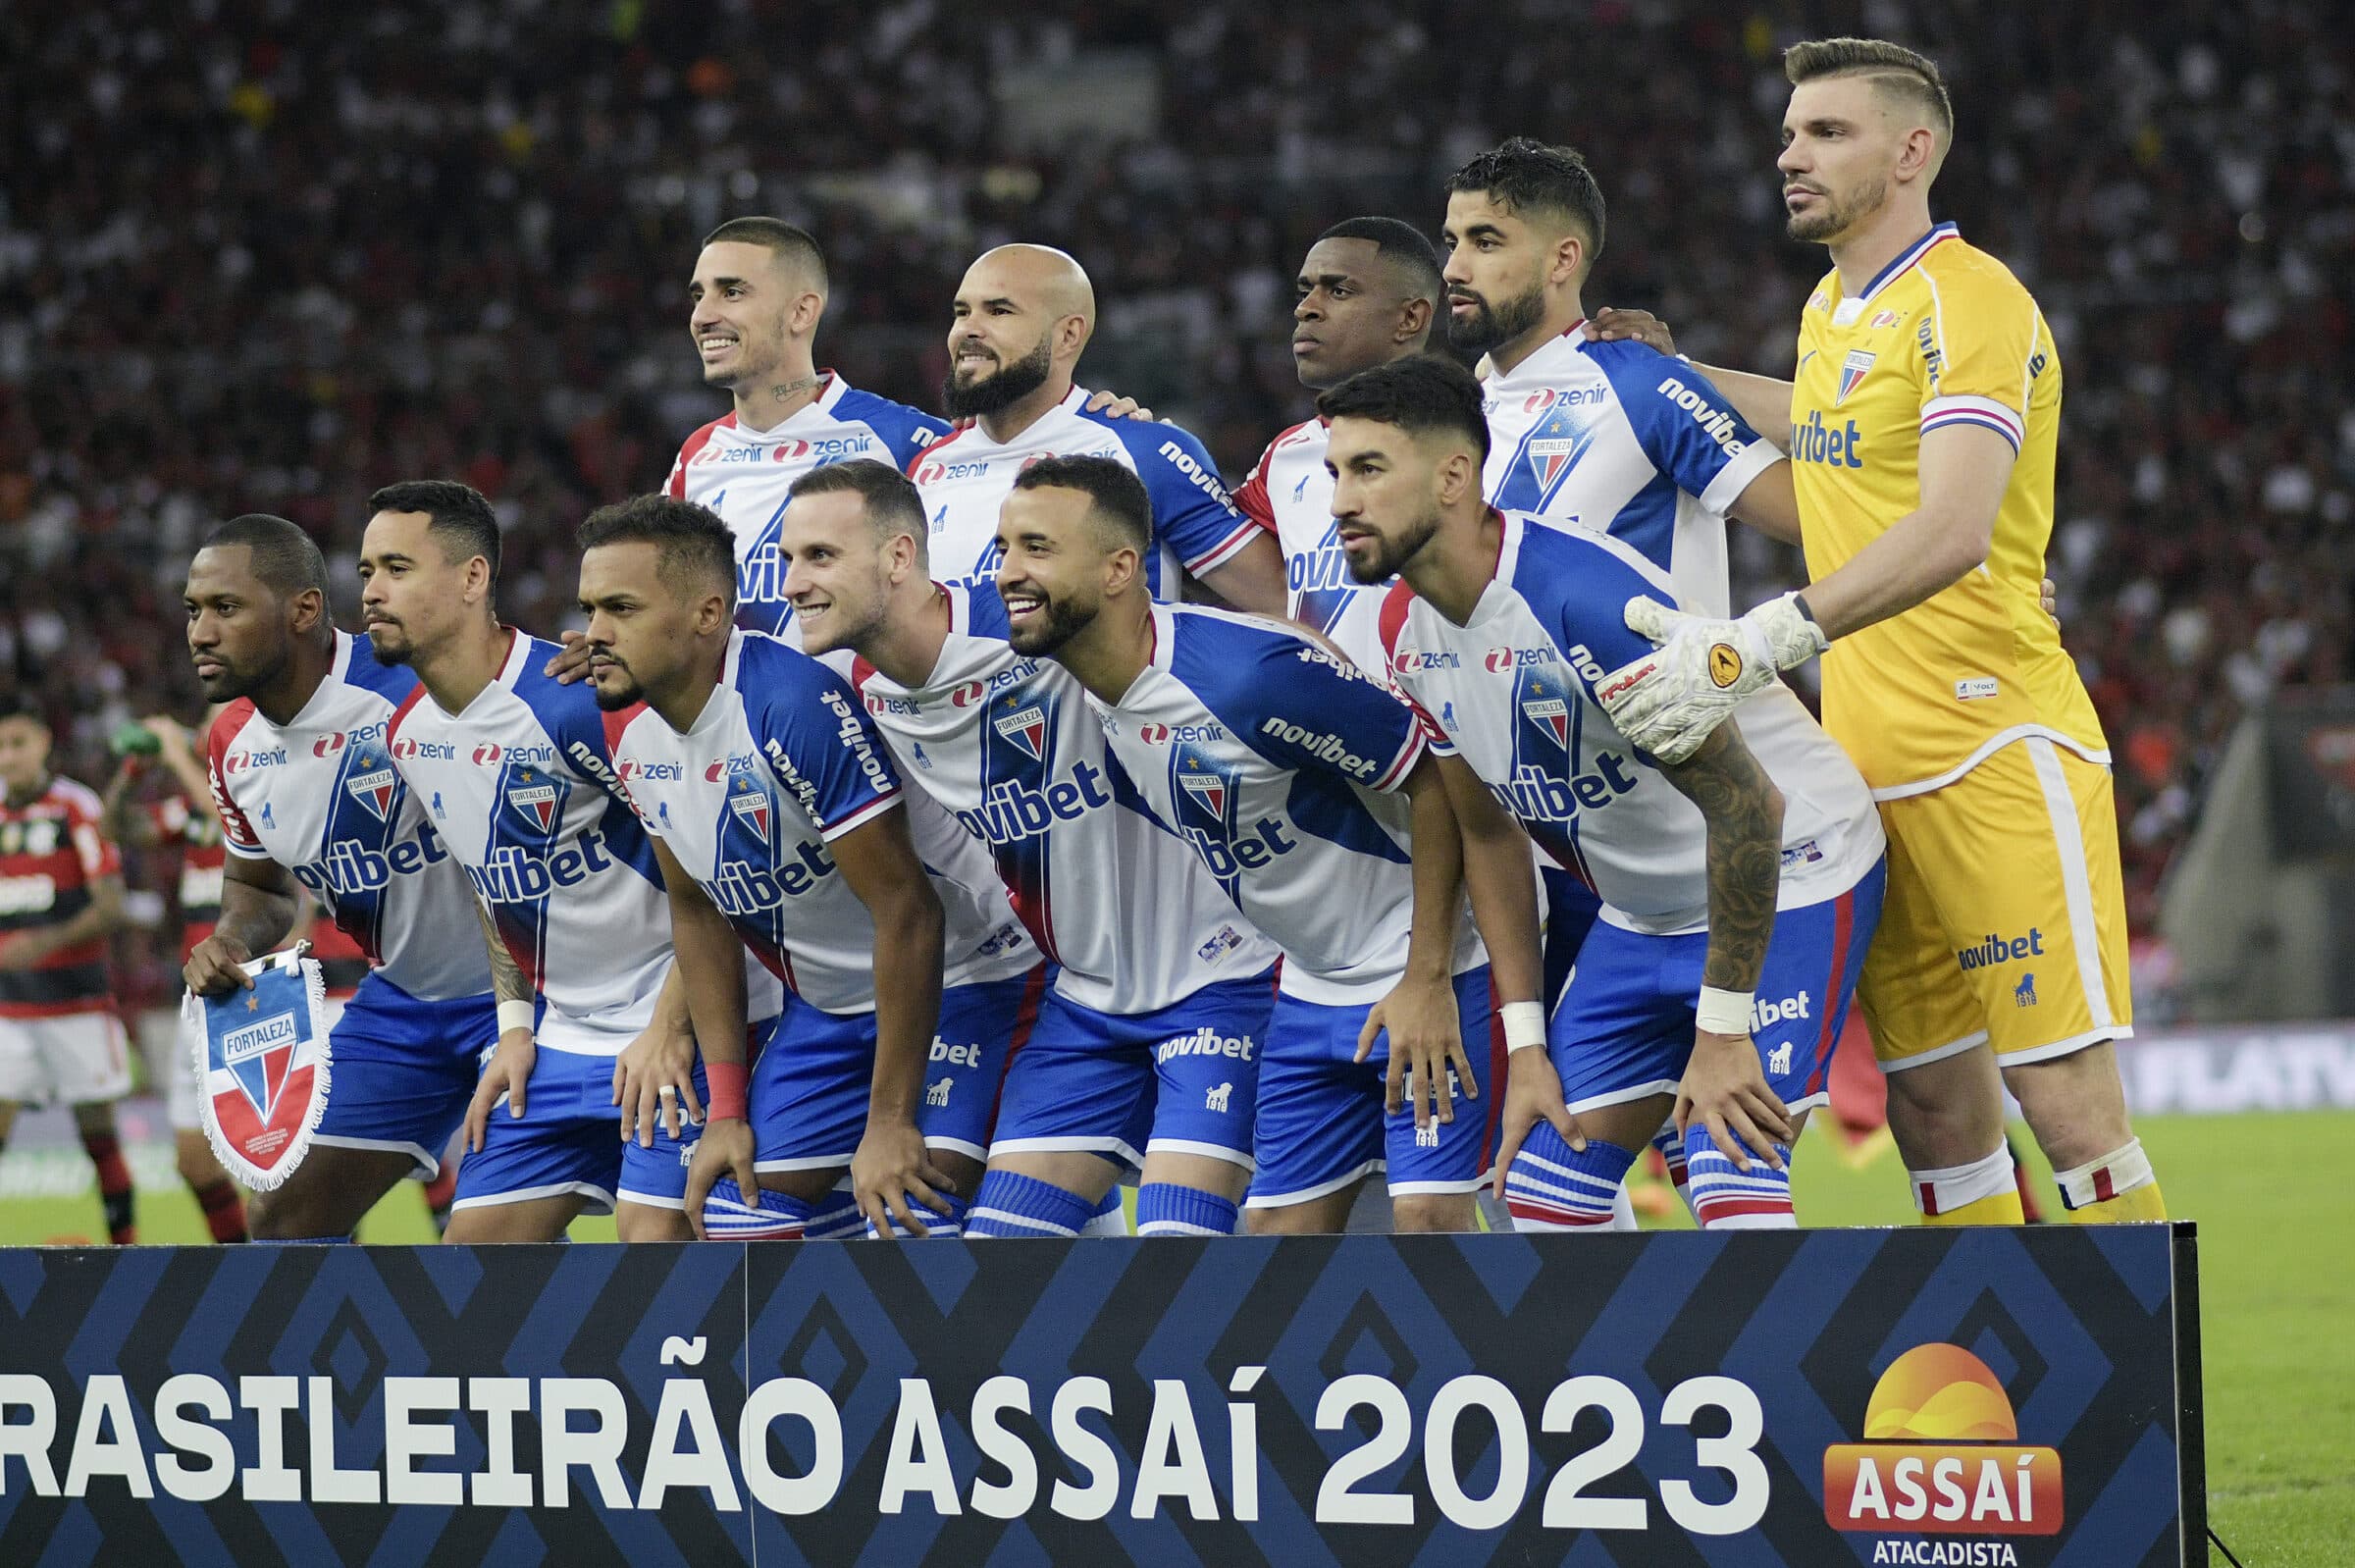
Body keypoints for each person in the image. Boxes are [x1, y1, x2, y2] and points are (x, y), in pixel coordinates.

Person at [1596, 38, 2162, 1226]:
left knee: (2064, 1105)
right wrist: (1672, 370)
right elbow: (1831, 428)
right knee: (1937, 1116)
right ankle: (2005, 1401)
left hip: (1990, 746)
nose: (1789, 153)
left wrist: (1762, 636)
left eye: (1826, 133)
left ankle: (2150, 1413)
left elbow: (1954, 524)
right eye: (1791, 131)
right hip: (1870, 769)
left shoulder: (1973, 299)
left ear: (1911, 152)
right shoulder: (1833, 307)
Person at [1323, 354, 1886, 1229]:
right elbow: (1489, 836)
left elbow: (1749, 807)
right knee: (1543, 1200)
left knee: (1732, 1178)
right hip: (1641, 918)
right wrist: (1527, 1050)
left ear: (1452, 478)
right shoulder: (1400, 630)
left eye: (1368, 471)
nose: (1339, 504)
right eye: (1333, 472)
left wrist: (1722, 1029)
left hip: (1794, 873)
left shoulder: (1578, 600)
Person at [777, 459, 1281, 1237]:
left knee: (1183, 1259)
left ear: (900, 558)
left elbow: (1176, 635)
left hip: (1220, 973)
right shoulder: (852, 688)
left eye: (819, 557)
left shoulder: (1030, 626)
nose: (792, 585)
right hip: (1084, 995)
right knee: (998, 1268)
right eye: (786, 558)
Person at [1000, 455, 1501, 1233]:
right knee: (1272, 1247)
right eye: (1002, 550)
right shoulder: (1085, 686)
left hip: (1431, 965)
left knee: (1435, 1225)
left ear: (1119, 570)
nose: (1007, 573)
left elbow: (1437, 778)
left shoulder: (1245, 675)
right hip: (1309, 983)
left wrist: (1427, 972)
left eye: (1036, 548)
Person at [578, 492, 1043, 1239]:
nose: (594, 634)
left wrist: (888, 1122)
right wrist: (727, 1110)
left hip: (962, 986)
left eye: (621, 609)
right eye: (590, 607)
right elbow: (699, 909)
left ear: (707, 615)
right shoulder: (626, 724)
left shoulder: (788, 705)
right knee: (738, 1225)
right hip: (826, 1014)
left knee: (914, 1213)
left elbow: (908, 911)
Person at [362, 481, 701, 1242]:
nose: (373, 592)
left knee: (659, 1251)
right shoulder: (409, 734)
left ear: (473, 578)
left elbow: (707, 867)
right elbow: (493, 888)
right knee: (470, 1271)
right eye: (364, 573)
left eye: (396, 568)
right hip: (557, 1043)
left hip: (670, 1029)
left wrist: (670, 1026)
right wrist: (515, 1028)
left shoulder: (577, 701)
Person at [183, 514, 497, 1242]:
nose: (201, 632)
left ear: (303, 610)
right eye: (194, 611)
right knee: (284, 1222)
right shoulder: (232, 742)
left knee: (491, 1238)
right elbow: (259, 889)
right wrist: (232, 939)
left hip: (529, 992)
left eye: (226, 609)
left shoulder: (410, 685)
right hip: (408, 1006)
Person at [913, 244, 1285, 613]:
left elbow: (1286, 610)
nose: (968, 329)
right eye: (962, 312)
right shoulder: (925, 466)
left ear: (1068, 335)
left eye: (999, 311)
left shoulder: (1145, 453)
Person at [662, 218, 953, 638]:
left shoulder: (901, 441)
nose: (702, 316)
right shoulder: (698, 452)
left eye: (732, 292)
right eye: (698, 296)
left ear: (801, 312)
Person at [1231, 216, 1446, 672]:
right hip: (1327, 739)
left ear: (1410, 318)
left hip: (1456, 738)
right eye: (1304, 290)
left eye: (1338, 290)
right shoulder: (1286, 456)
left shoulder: (1491, 436)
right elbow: (1203, 559)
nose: (1305, 308)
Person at [101, 711, 247, 1243]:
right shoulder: (188, 812)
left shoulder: (265, 786)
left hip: (255, 995)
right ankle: (245, 1264)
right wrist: (134, 774)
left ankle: (310, 1272)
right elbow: (117, 828)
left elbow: (225, 812)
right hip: (198, 999)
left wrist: (179, 755)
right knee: (193, 1162)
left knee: (282, 1161)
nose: (205, 733)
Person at [0, 711, 134, 1243]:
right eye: (0, 746)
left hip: (76, 1005)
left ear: (45, 742)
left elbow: (111, 906)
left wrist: (42, 944)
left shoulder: (76, 807)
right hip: (9, 1011)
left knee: (98, 1138)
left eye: (18, 742)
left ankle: (127, 1255)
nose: (8, 756)